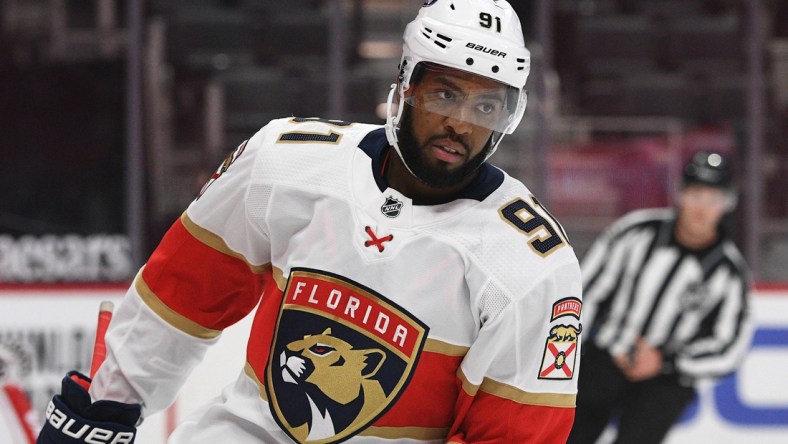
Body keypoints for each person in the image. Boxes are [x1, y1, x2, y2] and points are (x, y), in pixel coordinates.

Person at [37, 0, 583, 443]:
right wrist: (107, 402)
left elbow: (514, 436)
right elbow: (184, 291)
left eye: (486, 107)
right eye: (444, 94)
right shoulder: (287, 160)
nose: (460, 124)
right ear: (405, 86)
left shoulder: (530, 265)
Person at [567, 151, 753, 444]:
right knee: (567, 435)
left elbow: (730, 348)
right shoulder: (635, 232)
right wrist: (599, 346)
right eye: (696, 195)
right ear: (680, 192)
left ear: (727, 204)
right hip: (604, 358)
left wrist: (666, 361)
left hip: (666, 379)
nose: (702, 208)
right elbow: (584, 291)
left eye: (713, 199)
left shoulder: (729, 274)